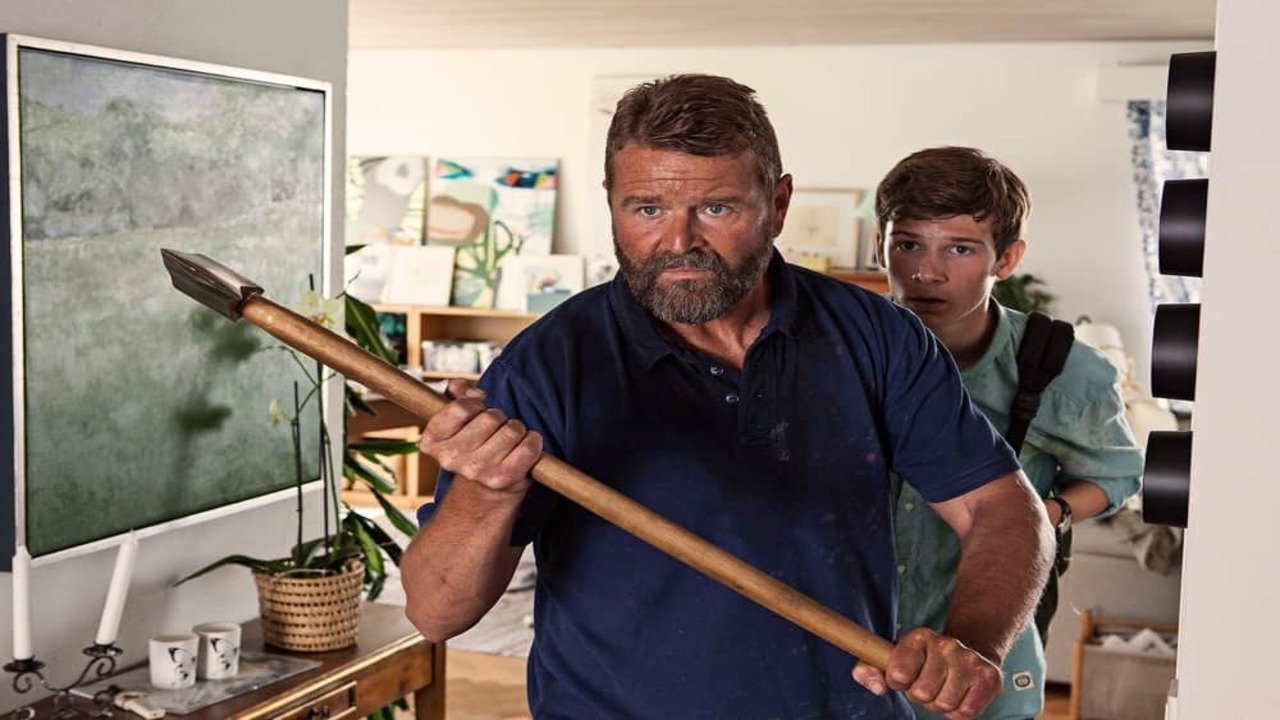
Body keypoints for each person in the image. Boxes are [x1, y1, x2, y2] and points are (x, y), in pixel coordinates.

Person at [401, 75, 1053, 720]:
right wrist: (487, 493)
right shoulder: (549, 364)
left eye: (716, 209)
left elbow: (1000, 507)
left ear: (778, 203)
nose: (678, 242)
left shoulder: (876, 337)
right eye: (647, 209)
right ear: (612, 202)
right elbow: (435, 613)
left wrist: (971, 643)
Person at [874, 147, 1143, 719]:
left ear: (1008, 258)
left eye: (960, 248)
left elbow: (1118, 474)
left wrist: (1039, 517)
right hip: (858, 654)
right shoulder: (839, 352)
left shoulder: (1060, 367)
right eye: (909, 244)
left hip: (987, 662)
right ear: (880, 246)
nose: (927, 271)